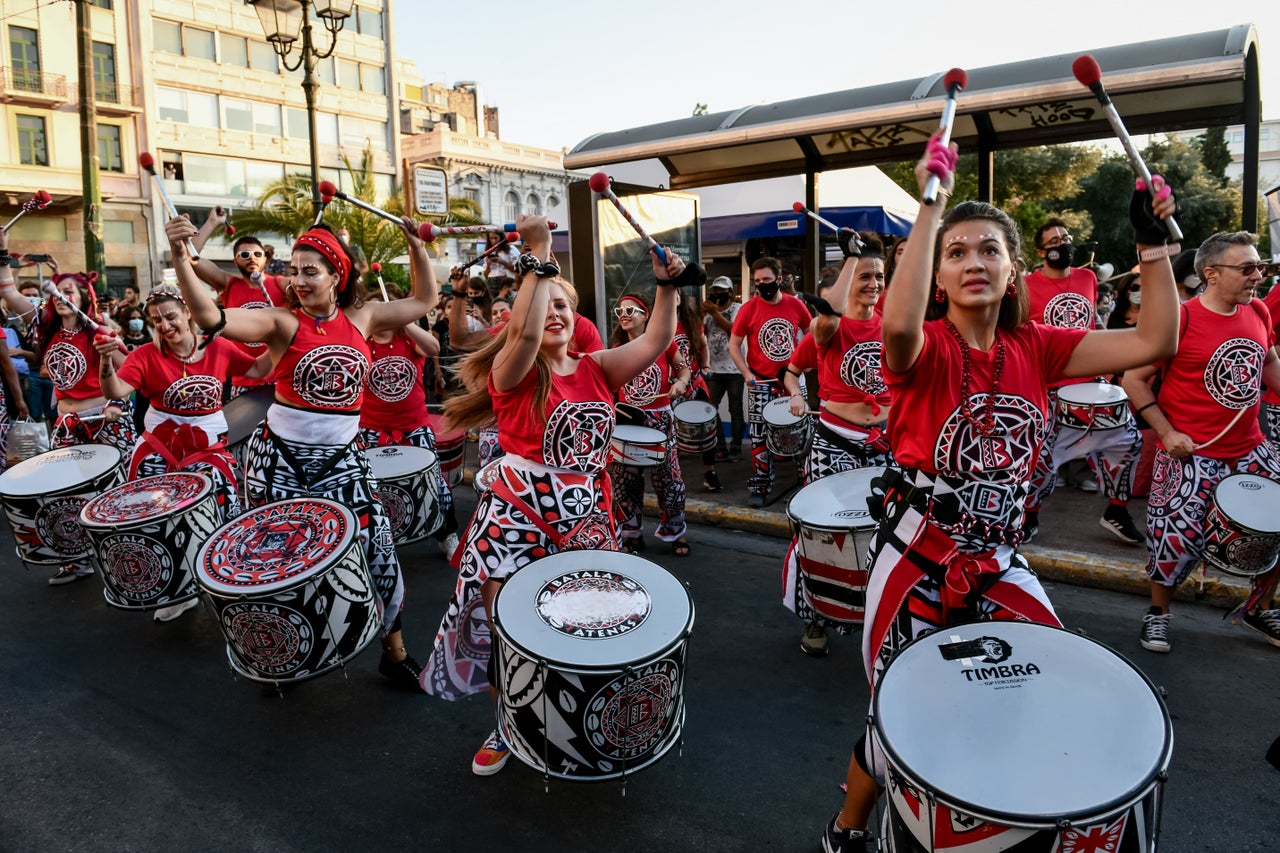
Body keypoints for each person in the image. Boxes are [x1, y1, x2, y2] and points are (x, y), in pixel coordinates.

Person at [822, 134, 1180, 852]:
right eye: (957, 253)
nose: (974, 261)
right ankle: (848, 825)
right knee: (899, 713)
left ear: (1012, 269)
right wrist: (929, 202)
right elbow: (894, 322)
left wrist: (1152, 246)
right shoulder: (920, 346)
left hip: (1000, 554)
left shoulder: (1039, 345)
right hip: (916, 552)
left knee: (1044, 677)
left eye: (989, 249)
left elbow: (1155, 339)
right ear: (939, 276)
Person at [420, 215, 694, 777]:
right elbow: (520, 332)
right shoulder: (512, 370)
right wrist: (539, 253)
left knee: (586, 623)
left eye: (563, 307)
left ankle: (581, 724)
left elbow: (660, 339)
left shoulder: (596, 368)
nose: (553, 314)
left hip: (587, 515)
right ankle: (505, 725)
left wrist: (668, 285)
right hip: (516, 516)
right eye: (543, 304)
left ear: (577, 320)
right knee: (508, 631)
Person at [165, 211, 439, 691]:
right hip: (280, 462)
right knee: (278, 560)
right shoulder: (281, 321)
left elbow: (424, 299)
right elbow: (211, 317)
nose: (299, 279)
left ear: (338, 275)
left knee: (378, 551)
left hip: (343, 460)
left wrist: (416, 246)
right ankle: (285, 656)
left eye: (311, 270)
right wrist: (178, 258)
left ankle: (393, 655)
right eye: (294, 270)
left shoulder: (365, 317)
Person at [1121, 231, 1280, 653]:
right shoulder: (1179, 319)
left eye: (1259, 267)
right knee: (1173, 535)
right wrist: (1167, 431)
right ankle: (1158, 613)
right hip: (1191, 450)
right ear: (1211, 273)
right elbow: (1133, 380)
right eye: (1247, 268)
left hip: (1250, 447)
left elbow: (1268, 363)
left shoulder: (1259, 311)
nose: (1257, 276)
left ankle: (1260, 607)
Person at [94, 285, 266, 620]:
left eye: (170, 316)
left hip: (208, 453)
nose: (164, 324)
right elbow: (116, 390)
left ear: (188, 313)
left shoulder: (221, 348)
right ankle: (178, 589)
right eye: (156, 319)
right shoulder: (144, 355)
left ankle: (224, 585)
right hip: (160, 453)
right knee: (162, 525)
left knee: (217, 519)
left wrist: (283, 338)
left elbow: (258, 370)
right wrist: (104, 361)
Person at [780, 231, 892, 658]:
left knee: (887, 533)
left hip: (885, 444)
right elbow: (791, 370)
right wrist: (795, 393)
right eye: (865, 275)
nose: (874, 283)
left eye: (879, 275)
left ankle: (878, 615)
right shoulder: (826, 327)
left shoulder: (894, 324)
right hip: (834, 441)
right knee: (823, 535)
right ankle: (815, 617)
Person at [1022, 219, 1144, 545]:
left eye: (1065, 238)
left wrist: (1114, 353)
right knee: (1042, 461)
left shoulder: (1087, 277)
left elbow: (1091, 322)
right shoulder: (1026, 285)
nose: (1062, 244)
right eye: (1053, 241)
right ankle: (1028, 516)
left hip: (1092, 382)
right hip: (1051, 388)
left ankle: (1117, 510)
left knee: (1129, 442)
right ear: (1040, 251)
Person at [34, 272, 138, 584]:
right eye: (58, 293)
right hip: (67, 424)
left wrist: (117, 404)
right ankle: (77, 561)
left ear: (82, 298)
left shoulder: (99, 331)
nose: (61, 297)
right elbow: (11, 296)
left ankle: (129, 557)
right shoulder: (50, 331)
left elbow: (132, 371)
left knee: (120, 491)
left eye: (69, 292)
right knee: (63, 493)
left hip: (106, 419)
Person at [359, 301, 462, 558]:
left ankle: (447, 533)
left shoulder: (408, 339)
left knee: (436, 484)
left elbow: (433, 347)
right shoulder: (361, 340)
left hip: (414, 426)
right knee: (369, 488)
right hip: (372, 428)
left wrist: (404, 320)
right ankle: (378, 543)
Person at [611, 293, 692, 555]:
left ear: (646, 315)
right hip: (626, 421)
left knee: (669, 479)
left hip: (660, 420)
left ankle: (676, 532)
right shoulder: (615, 350)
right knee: (625, 481)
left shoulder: (663, 343)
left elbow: (684, 369)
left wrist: (680, 383)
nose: (624, 315)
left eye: (631, 310)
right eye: (620, 311)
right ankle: (632, 534)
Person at [729, 257, 811, 506]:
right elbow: (734, 345)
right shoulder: (748, 309)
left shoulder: (796, 306)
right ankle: (761, 486)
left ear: (779, 279)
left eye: (766, 280)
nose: (762, 285)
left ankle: (805, 484)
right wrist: (746, 373)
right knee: (758, 436)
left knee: (800, 432)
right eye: (757, 281)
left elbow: (811, 335)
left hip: (793, 381)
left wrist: (804, 365)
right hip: (761, 383)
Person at [193, 209, 286, 398]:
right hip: (244, 380)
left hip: (281, 377)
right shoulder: (228, 284)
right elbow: (190, 257)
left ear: (265, 259)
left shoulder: (280, 284)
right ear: (235, 261)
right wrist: (211, 222)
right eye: (244, 255)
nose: (251, 257)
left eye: (257, 254)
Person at [674, 293, 722, 492]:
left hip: (694, 382)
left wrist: (706, 365)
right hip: (670, 385)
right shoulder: (656, 323)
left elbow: (702, 346)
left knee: (707, 425)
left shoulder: (691, 322)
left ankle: (710, 472)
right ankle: (672, 474)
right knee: (668, 429)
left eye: (675, 294)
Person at [702, 276, 744, 462]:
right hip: (715, 369)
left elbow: (733, 330)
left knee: (735, 409)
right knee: (710, 408)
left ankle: (735, 447)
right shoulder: (709, 312)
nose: (718, 293)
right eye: (715, 290)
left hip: (735, 369)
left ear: (730, 292)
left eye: (722, 290)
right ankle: (720, 446)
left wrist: (714, 312)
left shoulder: (738, 308)